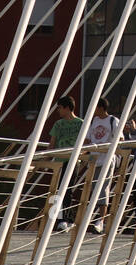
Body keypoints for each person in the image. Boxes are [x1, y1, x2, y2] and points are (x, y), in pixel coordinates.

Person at [85, 97, 120, 236]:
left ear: (100, 107)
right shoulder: (94, 121)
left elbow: (120, 138)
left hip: (106, 160)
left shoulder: (113, 121)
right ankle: (98, 220)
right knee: (94, 189)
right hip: (94, 160)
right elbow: (88, 139)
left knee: (103, 189)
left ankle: (101, 220)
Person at [49, 95, 83, 232]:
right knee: (56, 190)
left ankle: (65, 220)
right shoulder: (58, 124)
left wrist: (82, 155)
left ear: (67, 108)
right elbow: (52, 144)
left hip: (73, 160)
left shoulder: (81, 123)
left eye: (59, 108)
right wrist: (46, 158)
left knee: (67, 189)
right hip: (58, 161)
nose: (58, 111)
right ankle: (56, 220)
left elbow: (86, 143)